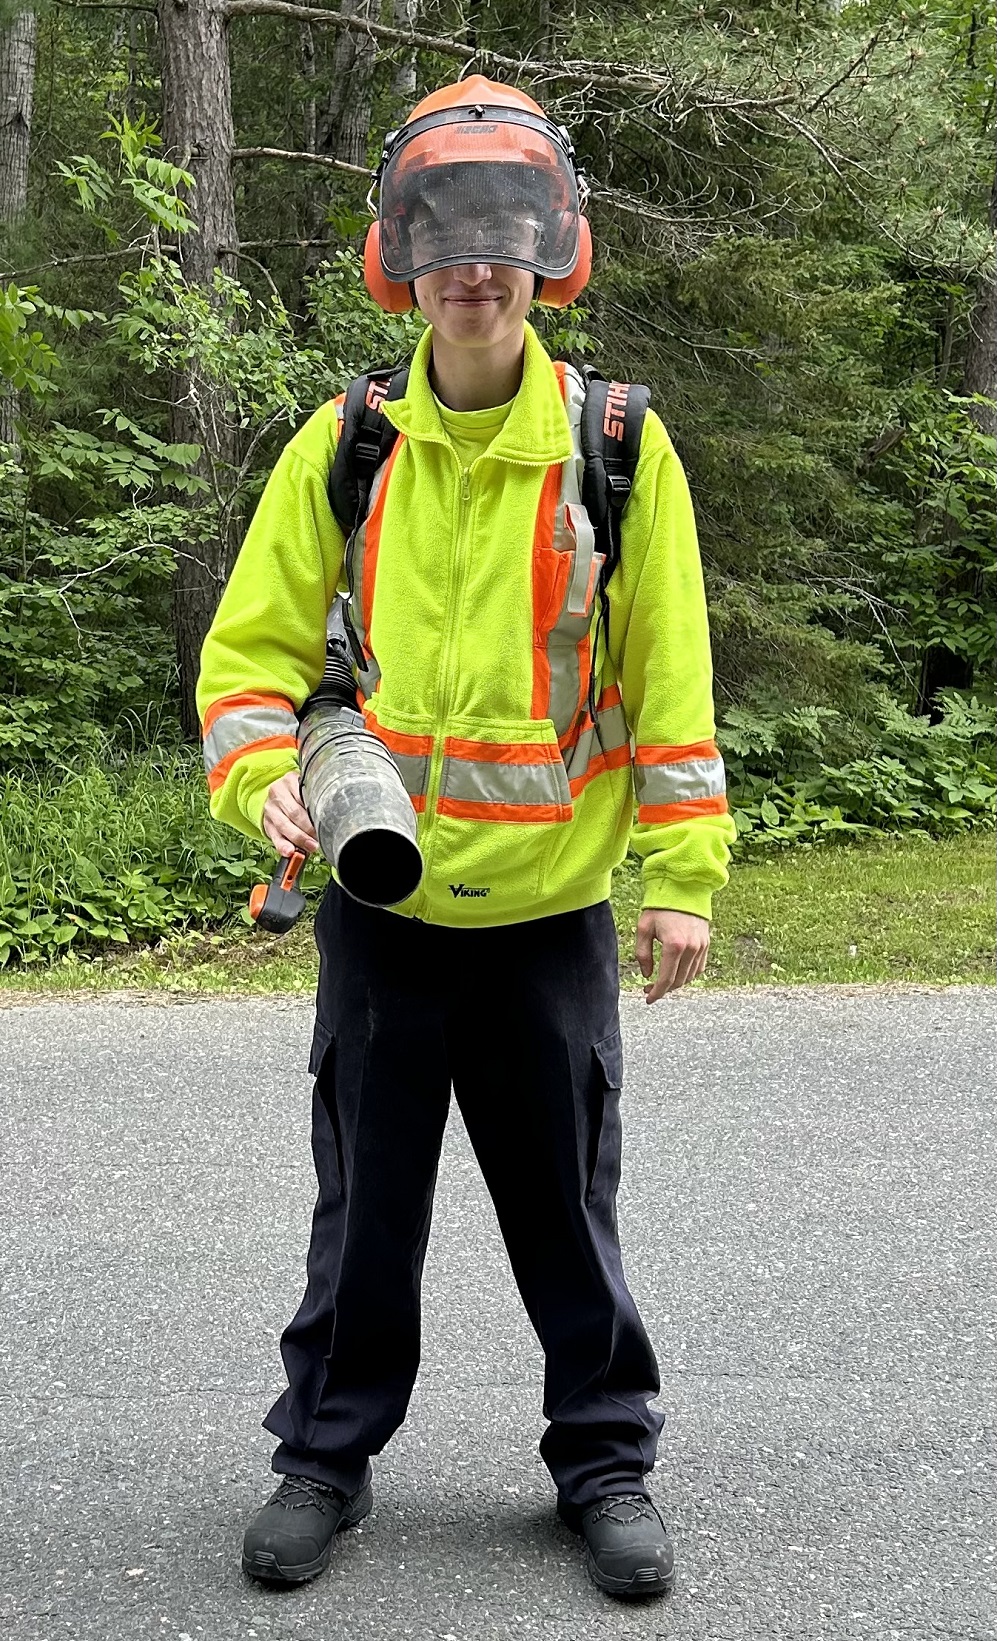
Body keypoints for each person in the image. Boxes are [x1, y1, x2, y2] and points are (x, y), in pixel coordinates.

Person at [196, 75, 736, 1601]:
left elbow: (668, 687)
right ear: (401, 260)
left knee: (565, 1215)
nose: (474, 266)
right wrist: (264, 784)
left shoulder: (616, 449)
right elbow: (246, 664)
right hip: (383, 922)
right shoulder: (348, 444)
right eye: (444, 236)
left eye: (504, 236)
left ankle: (603, 1463)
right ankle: (322, 1459)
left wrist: (681, 879)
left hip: (550, 917)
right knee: (364, 1218)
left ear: (550, 252)